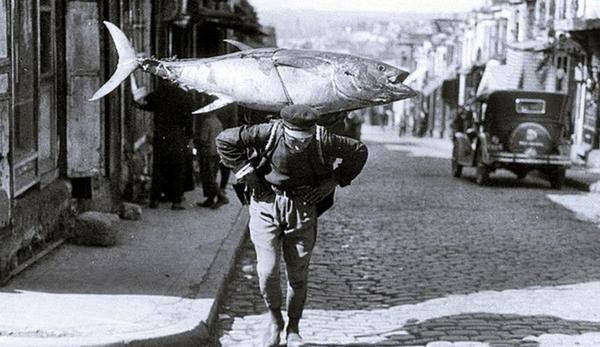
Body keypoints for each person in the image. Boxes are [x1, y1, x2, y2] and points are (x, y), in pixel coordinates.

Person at [216, 105, 368, 347]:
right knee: (267, 270)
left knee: (297, 274)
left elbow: (359, 151)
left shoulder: (322, 139)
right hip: (266, 204)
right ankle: (275, 318)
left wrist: (334, 180)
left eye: (304, 140)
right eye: (294, 140)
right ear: (284, 128)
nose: (300, 145)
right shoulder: (267, 132)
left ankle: (294, 327)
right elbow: (225, 140)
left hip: (302, 207)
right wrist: (248, 174)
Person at [133, 82, 196, 210]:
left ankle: (154, 199)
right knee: (177, 168)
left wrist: (138, 106)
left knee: (159, 167)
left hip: (161, 134)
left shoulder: (159, 93)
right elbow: (189, 120)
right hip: (177, 136)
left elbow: (149, 104)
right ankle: (176, 201)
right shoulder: (184, 96)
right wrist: (189, 137)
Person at [196, 112, 227, 209]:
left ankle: (221, 197)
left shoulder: (207, 122)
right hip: (216, 152)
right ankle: (210, 199)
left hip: (207, 153)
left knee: (208, 177)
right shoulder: (218, 122)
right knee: (212, 175)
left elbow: (203, 138)